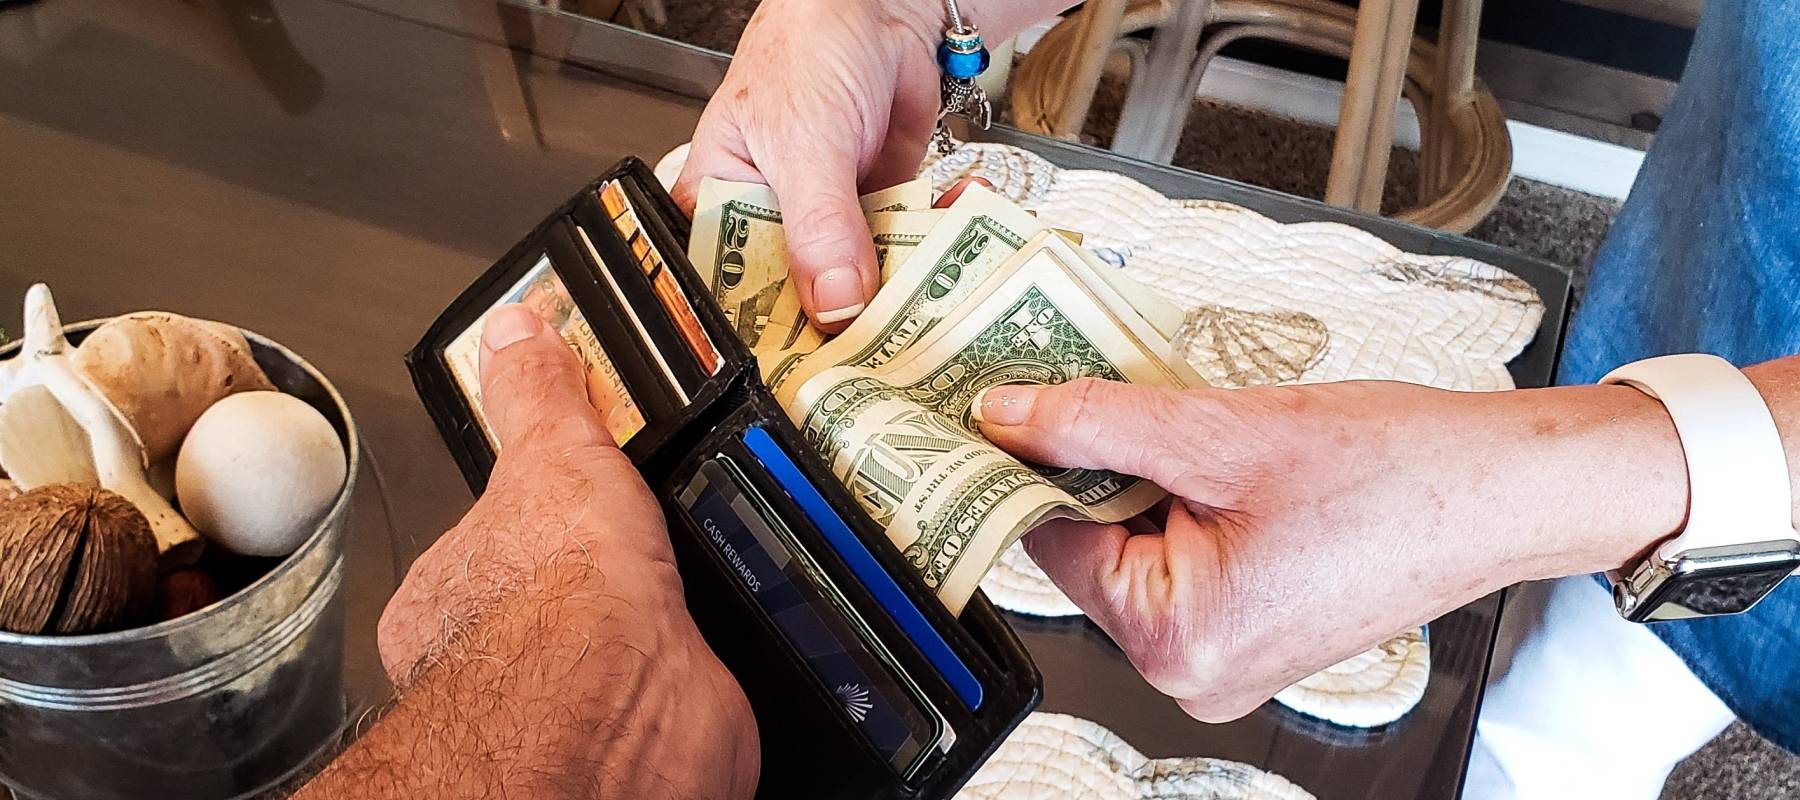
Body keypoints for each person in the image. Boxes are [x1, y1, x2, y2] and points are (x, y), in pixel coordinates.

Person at [662, 0, 1800, 798]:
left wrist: (1550, 486)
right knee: (1561, 709)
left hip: (1705, 444)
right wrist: (894, 7)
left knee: (1608, 727)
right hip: (1724, 237)